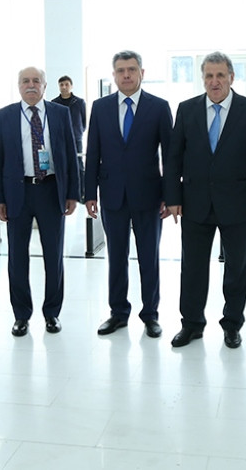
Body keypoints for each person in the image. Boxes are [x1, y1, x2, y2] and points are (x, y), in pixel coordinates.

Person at [164, 51, 246, 350]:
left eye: (220, 75)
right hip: (194, 203)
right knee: (193, 268)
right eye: (209, 76)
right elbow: (173, 159)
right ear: (203, 79)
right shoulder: (186, 110)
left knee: (237, 268)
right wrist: (172, 197)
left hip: (238, 203)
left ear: (231, 77)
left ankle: (232, 324)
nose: (214, 81)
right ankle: (192, 324)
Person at [85, 51, 173, 338]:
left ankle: (150, 315)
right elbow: (93, 153)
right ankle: (118, 313)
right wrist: (89, 194)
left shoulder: (159, 108)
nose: (126, 75)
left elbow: (169, 157)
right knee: (117, 257)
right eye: (121, 70)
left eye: (131, 69)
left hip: (149, 196)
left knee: (149, 257)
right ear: (113, 75)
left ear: (141, 73)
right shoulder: (100, 107)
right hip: (112, 195)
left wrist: (170, 196)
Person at [0, 66, 80, 337]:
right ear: (18, 85)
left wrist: (73, 192)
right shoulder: (5, 116)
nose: (31, 85)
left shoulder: (60, 113)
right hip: (18, 193)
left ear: (45, 85)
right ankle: (21, 315)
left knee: (53, 256)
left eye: (36, 81)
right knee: (17, 257)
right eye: (25, 81)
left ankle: (52, 313)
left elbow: (70, 153)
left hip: (51, 190)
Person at [50, 75, 86, 154]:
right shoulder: (54, 103)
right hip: (60, 138)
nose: (64, 87)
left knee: (78, 162)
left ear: (71, 86)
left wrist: (78, 131)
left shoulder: (79, 102)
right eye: (61, 85)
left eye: (66, 84)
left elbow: (84, 120)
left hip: (76, 138)